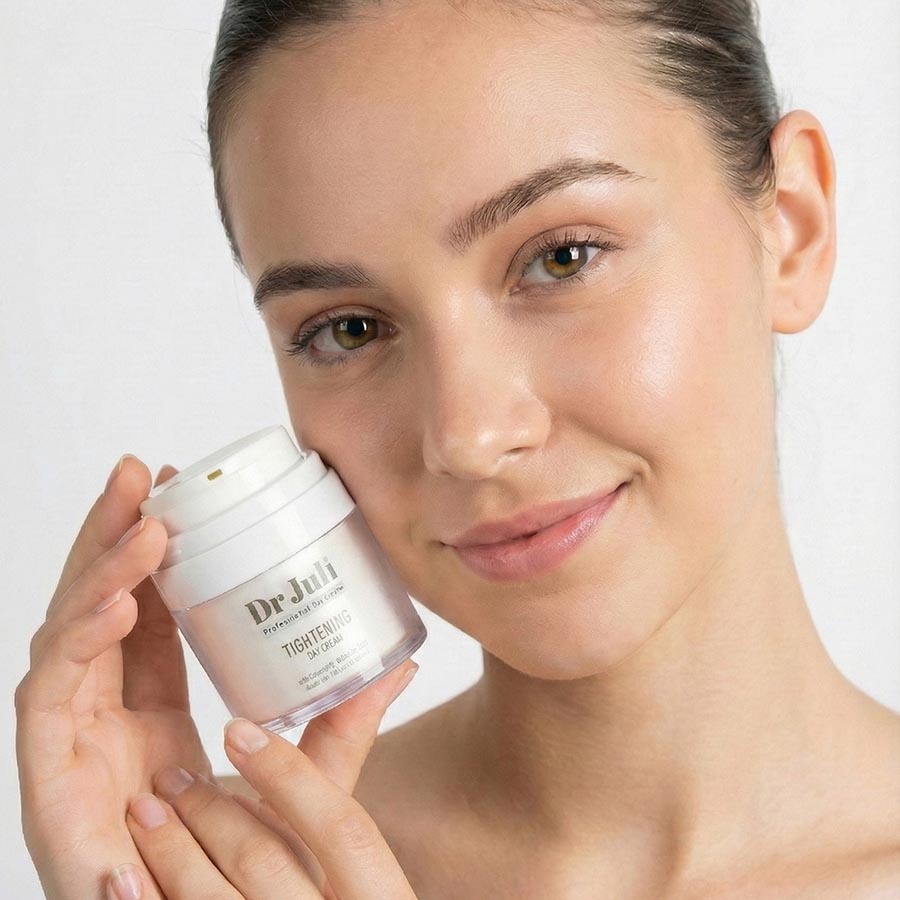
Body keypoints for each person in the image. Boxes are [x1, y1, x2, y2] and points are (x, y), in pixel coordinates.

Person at [15, 0, 900, 897]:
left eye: (562, 258)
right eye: (349, 329)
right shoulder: (222, 876)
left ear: (793, 228)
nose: (467, 438)